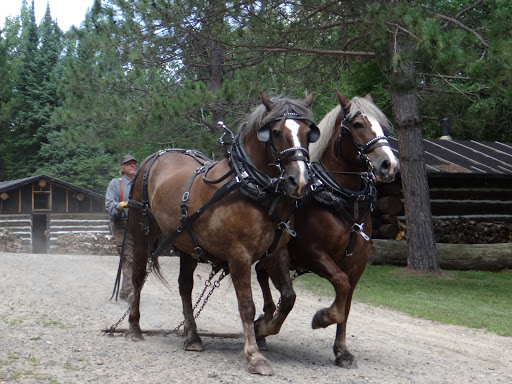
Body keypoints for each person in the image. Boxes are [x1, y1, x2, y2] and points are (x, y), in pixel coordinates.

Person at [105, 154, 138, 303]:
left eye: (134, 163)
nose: (132, 165)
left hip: (137, 225)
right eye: (128, 164)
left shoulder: (140, 183)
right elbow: (109, 206)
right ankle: (131, 293)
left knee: (136, 259)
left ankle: (124, 292)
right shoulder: (115, 184)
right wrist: (124, 204)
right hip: (121, 224)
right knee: (128, 258)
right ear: (122, 168)